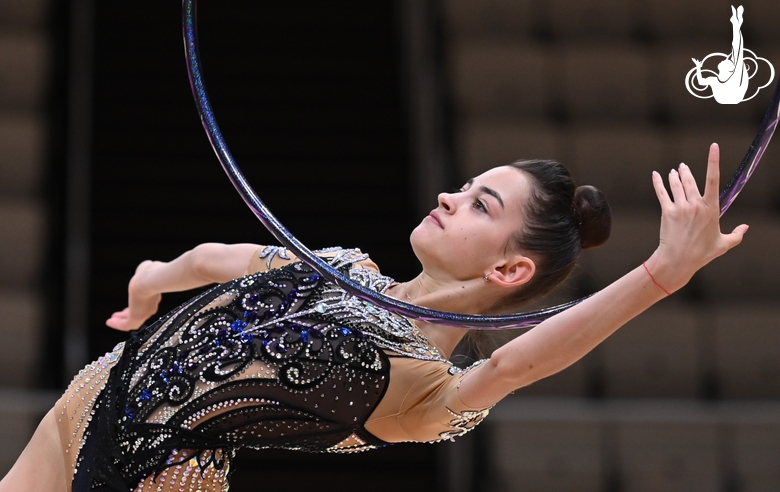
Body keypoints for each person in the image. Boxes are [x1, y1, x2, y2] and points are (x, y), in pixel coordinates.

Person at [0, 144, 747, 492]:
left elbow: (517, 363)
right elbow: (214, 257)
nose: (453, 197)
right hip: (89, 399)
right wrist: (149, 283)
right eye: (464, 185)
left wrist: (657, 277)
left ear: (509, 271)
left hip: (159, 479)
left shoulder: (426, 386)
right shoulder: (344, 265)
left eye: (481, 204)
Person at [692, 5, 748, 104]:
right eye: (728, 60)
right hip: (728, 97)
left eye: (728, 61)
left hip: (733, 96)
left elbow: (737, 49)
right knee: (737, 51)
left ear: (729, 69)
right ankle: (736, 23)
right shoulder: (714, 80)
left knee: (737, 51)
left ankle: (736, 23)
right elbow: (701, 82)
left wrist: (736, 26)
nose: (725, 59)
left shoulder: (734, 77)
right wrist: (698, 67)